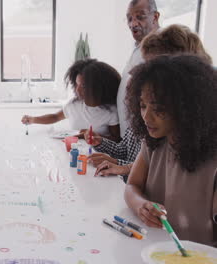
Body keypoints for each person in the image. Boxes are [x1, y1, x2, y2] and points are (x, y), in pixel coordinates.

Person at [93, 24, 213, 177]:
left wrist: (120, 165)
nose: (144, 74)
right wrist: (103, 145)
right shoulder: (145, 110)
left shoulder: (189, 132)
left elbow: (163, 172)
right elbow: (129, 153)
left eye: (154, 66)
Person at [124, 55, 217, 246]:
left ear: (187, 109)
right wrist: (140, 205)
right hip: (154, 248)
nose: (146, 116)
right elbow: (132, 186)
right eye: (142, 105)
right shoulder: (153, 144)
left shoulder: (212, 157)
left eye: (158, 109)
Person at [21, 59, 121, 142]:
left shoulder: (111, 111)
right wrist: (33, 119)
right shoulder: (74, 104)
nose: (77, 90)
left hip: (99, 155)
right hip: (76, 150)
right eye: (77, 84)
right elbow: (55, 117)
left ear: (98, 88)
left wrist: (91, 136)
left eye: (83, 86)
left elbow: (116, 139)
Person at [117, 0, 160, 137]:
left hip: (147, 135)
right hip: (130, 137)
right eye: (130, 19)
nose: (133, 24)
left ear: (155, 17)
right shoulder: (138, 47)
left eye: (140, 17)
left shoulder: (161, 47)